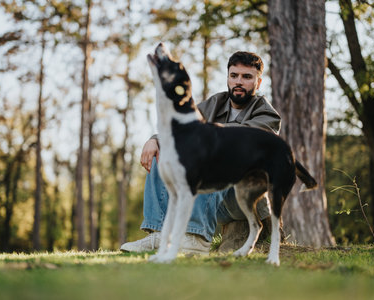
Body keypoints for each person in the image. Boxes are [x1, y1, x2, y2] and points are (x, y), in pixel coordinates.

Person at [120, 51, 281, 254]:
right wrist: (154, 140)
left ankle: (198, 238)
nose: (239, 81)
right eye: (234, 76)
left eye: (246, 77)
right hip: (212, 201)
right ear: (228, 78)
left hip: (242, 199)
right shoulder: (215, 103)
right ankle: (158, 234)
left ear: (257, 83)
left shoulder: (267, 114)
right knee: (163, 154)